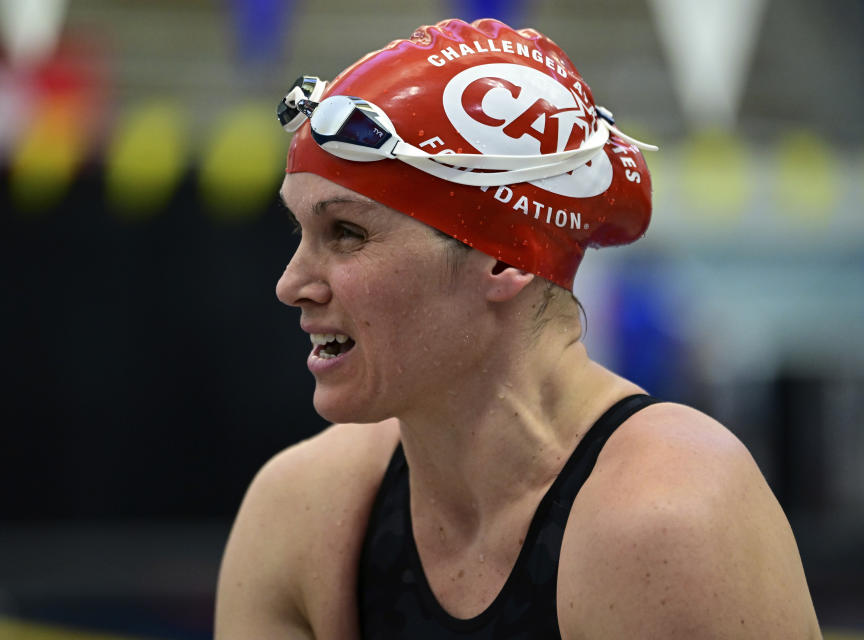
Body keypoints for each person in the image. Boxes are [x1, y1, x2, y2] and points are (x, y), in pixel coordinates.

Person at [215, 18, 821, 639]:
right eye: (301, 234)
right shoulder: (303, 511)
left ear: (504, 257)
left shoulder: (669, 523)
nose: (291, 285)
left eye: (346, 233)